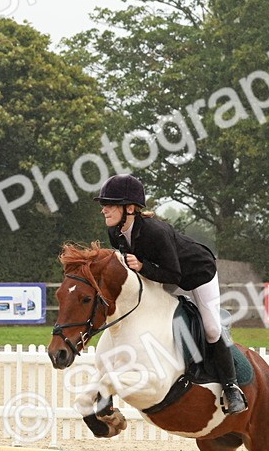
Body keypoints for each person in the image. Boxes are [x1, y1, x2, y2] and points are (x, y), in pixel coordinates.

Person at [94, 174, 247, 415]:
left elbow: (174, 275)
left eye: (110, 204)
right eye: (104, 205)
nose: (104, 210)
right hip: (160, 272)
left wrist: (143, 267)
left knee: (211, 328)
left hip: (196, 273)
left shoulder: (155, 232)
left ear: (130, 208)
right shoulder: (115, 231)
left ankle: (231, 387)